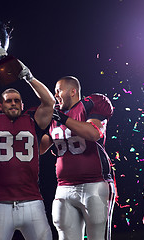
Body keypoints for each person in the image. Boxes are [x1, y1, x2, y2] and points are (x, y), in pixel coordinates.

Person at [0, 60, 55, 240]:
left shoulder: (33, 121)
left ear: (22, 105)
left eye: (17, 101)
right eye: (8, 101)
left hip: (32, 201)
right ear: (0, 106)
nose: (13, 103)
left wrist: (29, 78)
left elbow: (49, 102)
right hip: (0, 204)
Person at [40, 76, 116, 240]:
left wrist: (64, 119)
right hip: (64, 187)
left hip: (94, 184)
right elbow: (39, 149)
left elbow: (93, 133)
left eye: (59, 90)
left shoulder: (91, 104)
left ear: (73, 91)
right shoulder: (56, 116)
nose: (56, 95)